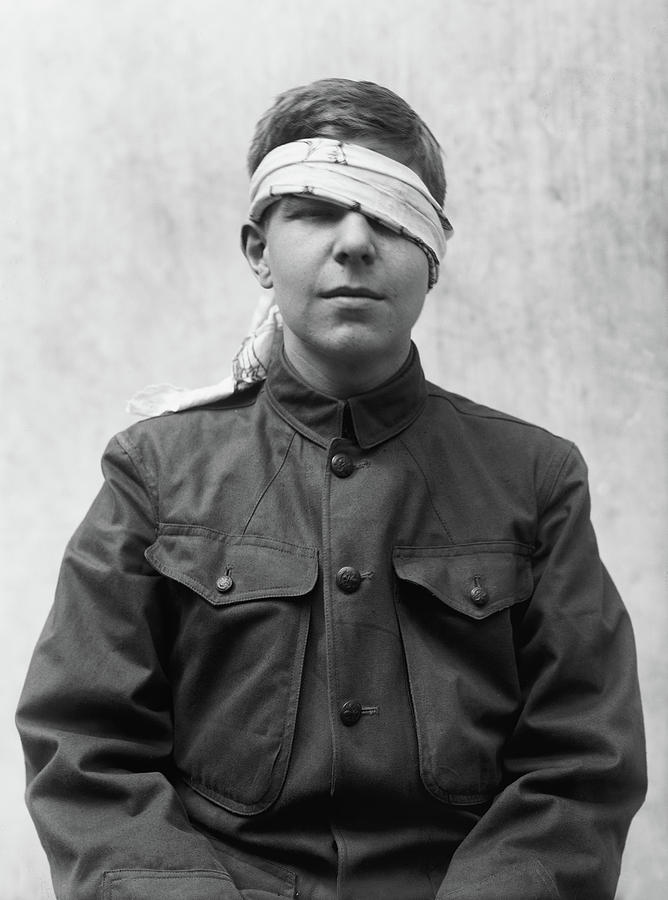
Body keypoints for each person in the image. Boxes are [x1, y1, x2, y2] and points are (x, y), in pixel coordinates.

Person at [17, 78, 646, 900]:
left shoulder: (536, 479)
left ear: (434, 255)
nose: (355, 242)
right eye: (315, 210)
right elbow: (83, 746)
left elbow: (582, 760)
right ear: (257, 250)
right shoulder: (155, 472)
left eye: (390, 215)